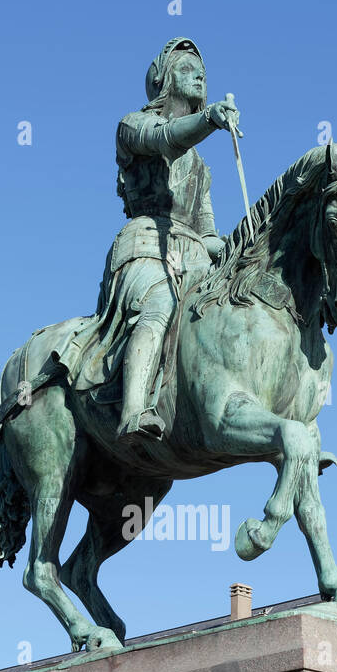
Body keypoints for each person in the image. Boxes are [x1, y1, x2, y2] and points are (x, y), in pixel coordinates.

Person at [111, 38, 240, 440]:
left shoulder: (200, 167)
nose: (199, 75)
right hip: (147, 246)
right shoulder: (134, 126)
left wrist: (245, 240)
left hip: (195, 257)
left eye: (202, 70)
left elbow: (208, 237)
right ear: (162, 80)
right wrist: (210, 121)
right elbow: (165, 139)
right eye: (186, 69)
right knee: (162, 305)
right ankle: (133, 410)